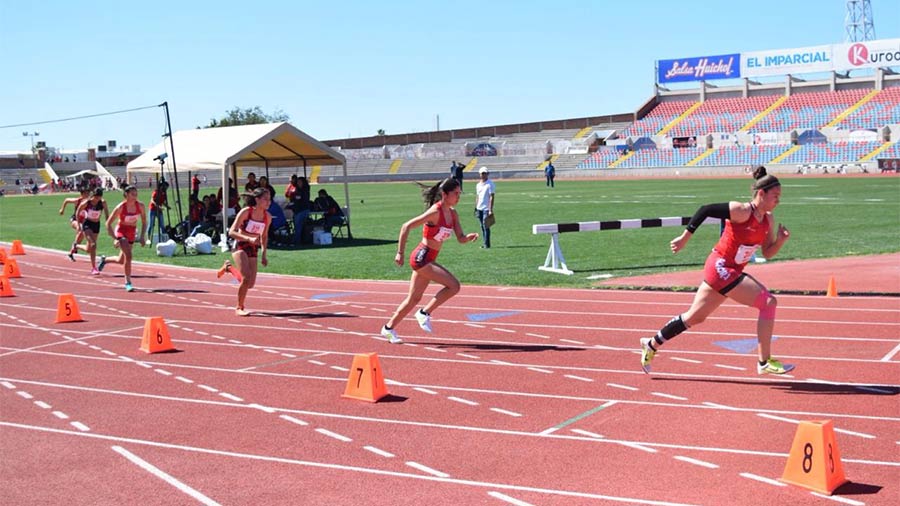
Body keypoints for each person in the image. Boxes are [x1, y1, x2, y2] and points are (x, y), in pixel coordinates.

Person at [640, 166, 792, 375]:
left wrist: (781, 241)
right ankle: (763, 362)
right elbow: (705, 209)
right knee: (768, 303)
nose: (778, 201)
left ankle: (651, 344)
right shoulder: (742, 211)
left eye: (780, 197)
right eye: (775, 196)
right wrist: (685, 238)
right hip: (721, 267)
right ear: (761, 193)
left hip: (729, 272)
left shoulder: (768, 220)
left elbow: (767, 253)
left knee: (694, 317)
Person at [380, 178, 478, 344]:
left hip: (429, 258)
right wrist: (400, 253)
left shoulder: (453, 214)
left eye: (460, 193)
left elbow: (460, 238)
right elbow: (406, 226)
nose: (458, 197)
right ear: (445, 194)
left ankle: (388, 329)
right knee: (454, 286)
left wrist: (468, 238)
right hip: (421, 257)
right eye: (455, 193)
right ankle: (424, 313)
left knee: (413, 298)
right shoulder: (435, 212)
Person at [217, 188, 271, 316]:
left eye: (270, 199)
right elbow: (231, 231)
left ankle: (229, 268)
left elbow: (264, 237)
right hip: (240, 244)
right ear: (257, 200)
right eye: (265, 199)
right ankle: (239, 307)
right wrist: (248, 238)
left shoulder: (267, 217)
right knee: (246, 278)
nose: (269, 202)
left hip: (253, 247)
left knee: (250, 284)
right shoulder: (246, 212)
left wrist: (263, 254)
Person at [98, 185, 147, 292]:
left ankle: (104, 260)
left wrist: (142, 236)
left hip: (132, 232)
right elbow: (108, 223)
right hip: (121, 231)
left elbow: (144, 222)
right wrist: (115, 238)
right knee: (129, 256)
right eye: (132, 194)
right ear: (126, 195)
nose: (135, 196)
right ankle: (128, 282)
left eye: (136, 194)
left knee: (122, 260)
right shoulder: (120, 207)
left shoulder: (141, 206)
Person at [72, 188, 109, 274]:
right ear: (93, 195)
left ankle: (76, 246)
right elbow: (77, 212)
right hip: (87, 224)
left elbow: (107, 213)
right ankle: (94, 268)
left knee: (89, 249)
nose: (97, 199)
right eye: (96, 197)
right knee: (93, 244)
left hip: (96, 225)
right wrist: (79, 225)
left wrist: (108, 223)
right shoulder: (86, 203)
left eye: (99, 197)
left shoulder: (103, 203)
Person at [60, 187, 91, 260]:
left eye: (88, 193)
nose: (88, 195)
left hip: (84, 222)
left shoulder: (89, 202)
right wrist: (62, 209)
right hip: (75, 220)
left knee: (81, 236)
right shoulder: (77, 200)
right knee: (80, 229)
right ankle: (74, 247)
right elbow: (66, 200)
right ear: (82, 194)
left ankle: (72, 251)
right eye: (86, 193)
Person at [474, 167, 495, 248]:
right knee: (482, 226)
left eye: (484, 173)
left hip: (486, 208)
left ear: (487, 174)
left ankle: (487, 244)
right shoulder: (478, 185)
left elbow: (491, 197)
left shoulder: (490, 184)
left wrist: (490, 209)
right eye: (482, 173)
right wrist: (475, 207)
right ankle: (484, 243)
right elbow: (477, 196)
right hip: (479, 208)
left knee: (486, 226)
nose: (483, 175)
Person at [290, 176, 311, 245]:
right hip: (299, 210)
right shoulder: (298, 190)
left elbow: (300, 200)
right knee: (298, 226)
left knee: (298, 226)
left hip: (302, 210)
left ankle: (297, 241)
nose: (298, 183)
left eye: (300, 182)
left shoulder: (304, 191)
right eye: (298, 182)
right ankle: (298, 240)